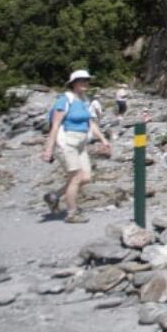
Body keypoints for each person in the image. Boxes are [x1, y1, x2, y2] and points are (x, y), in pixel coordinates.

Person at [41, 70, 111, 223]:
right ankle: (72, 213)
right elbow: (55, 125)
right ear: (73, 83)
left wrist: (103, 139)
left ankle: (55, 196)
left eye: (86, 80)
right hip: (67, 143)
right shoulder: (65, 100)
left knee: (85, 178)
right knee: (75, 177)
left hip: (81, 144)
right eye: (81, 80)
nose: (85, 83)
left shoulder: (85, 100)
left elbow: (91, 123)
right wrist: (48, 149)